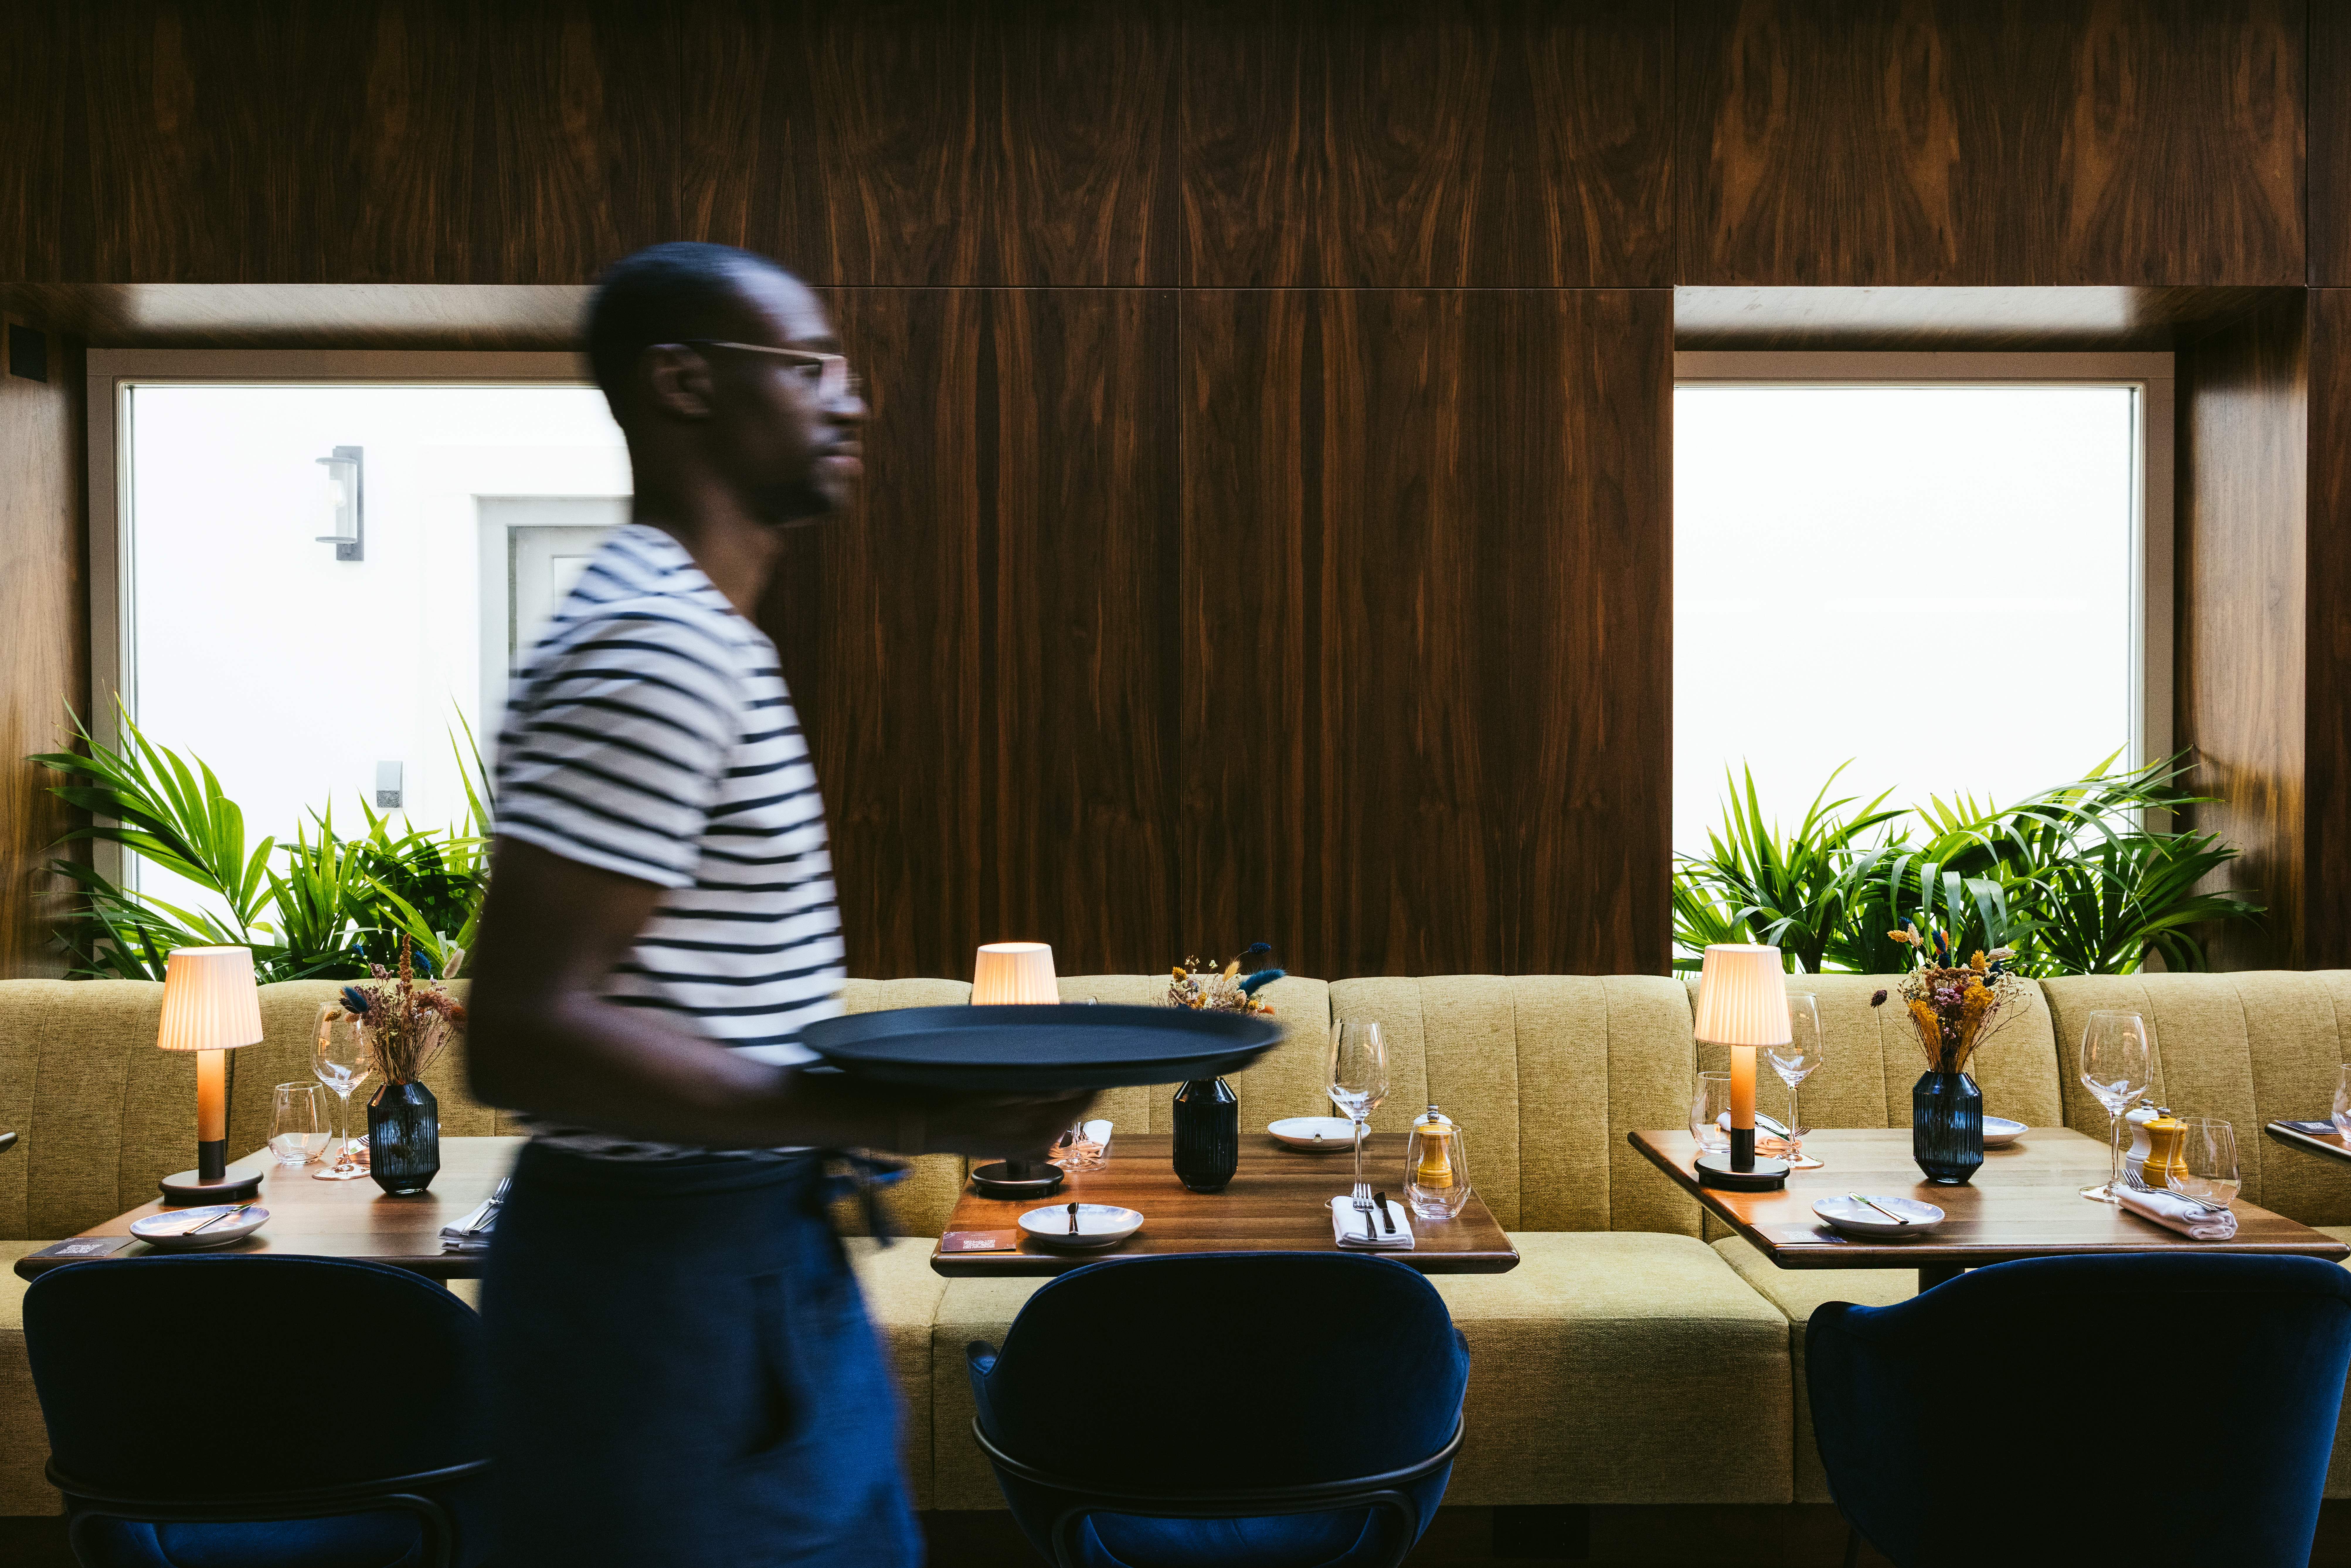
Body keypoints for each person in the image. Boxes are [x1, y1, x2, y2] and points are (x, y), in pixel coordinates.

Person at [465, 242, 1085, 1567]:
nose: (849, 401)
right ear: (682, 382)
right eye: (807, 369)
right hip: (664, 1288)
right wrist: (895, 1113)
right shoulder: (654, 645)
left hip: (746, 1251)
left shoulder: (698, 632)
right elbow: (521, 1030)